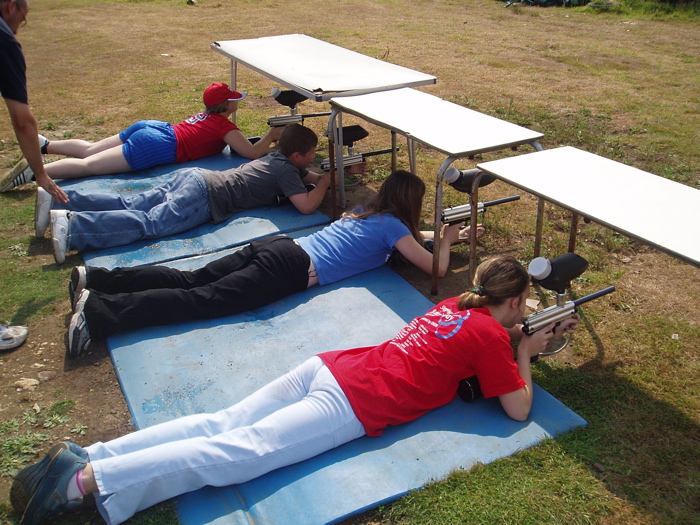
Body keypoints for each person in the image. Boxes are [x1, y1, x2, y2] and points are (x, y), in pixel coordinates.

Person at [10, 255, 580, 525]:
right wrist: (525, 352)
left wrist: (514, 338)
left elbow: (468, 344)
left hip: (329, 368)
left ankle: (93, 458)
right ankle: (86, 481)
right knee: (240, 453)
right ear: (510, 305)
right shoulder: (492, 334)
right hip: (352, 402)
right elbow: (518, 410)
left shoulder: (457, 304)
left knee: (220, 424)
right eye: (523, 307)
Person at [64, 170, 476, 356]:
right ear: (410, 204)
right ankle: (100, 314)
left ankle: (98, 278)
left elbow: (406, 240)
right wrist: (449, 238)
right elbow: (435, 268)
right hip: (289, 270)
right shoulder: (392, 230)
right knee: (201, 300)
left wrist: (435, 237)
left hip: (277, 247)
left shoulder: (366, 211)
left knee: (189, 278)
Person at [33, 123, 333, 264]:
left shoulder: (277, 161)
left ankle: (59, 200)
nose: (312, 159)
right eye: (311, 155)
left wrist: (334, 175)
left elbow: (311, 177)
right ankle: (74, 227)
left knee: (133, 202)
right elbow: (306, 206)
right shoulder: (286, 171)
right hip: (205, 197)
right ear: (296, 155)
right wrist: (325, 182)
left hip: (195, 178)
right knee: (149, 223)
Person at [1, 81, 283, 192]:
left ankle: (46, 146)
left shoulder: (210, 117)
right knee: (89, 167)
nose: (239, 102)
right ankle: (37, 170)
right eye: (235, 100)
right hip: (159, 144)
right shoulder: (225, 127)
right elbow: (251, 153)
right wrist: (273, 134)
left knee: (90, 150)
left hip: (154, 128)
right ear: (226, 106)